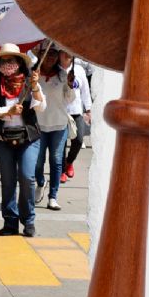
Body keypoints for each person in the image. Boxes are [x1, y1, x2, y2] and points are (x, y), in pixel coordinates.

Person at [0, 43, 46, 237]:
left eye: (11, 60)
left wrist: (35, 86)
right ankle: (10, 222)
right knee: (8, 181)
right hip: (3, 140)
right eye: (3, 61)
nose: (7, 64)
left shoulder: (30, 82)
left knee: (27, 177)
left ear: (20, 63)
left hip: (28, 138)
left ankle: (29, 221)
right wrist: (7, 111)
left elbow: (41, 106)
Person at [33, 45, 71, 210]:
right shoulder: (33, 74)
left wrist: (70, 84)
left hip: (59, 124)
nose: (50, 57)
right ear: (40, 54)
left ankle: (53, 197)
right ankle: (41, 182)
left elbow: (69, 99)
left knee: (56, 160)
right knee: (38, 161)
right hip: (38, 125)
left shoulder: (63, 75)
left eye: (54, 54)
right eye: (46, 53)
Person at [58, 49, 92, 183]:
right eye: (63, 52)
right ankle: (61, 171)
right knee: (60, 144)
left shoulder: (79, 70)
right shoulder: (55, 70)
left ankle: (69, 161)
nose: (67, 55)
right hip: (60, 111)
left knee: (78, 140)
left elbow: (85, 91)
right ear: (59, 54)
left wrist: (88, 109)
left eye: (70, 52)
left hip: (76, 111)